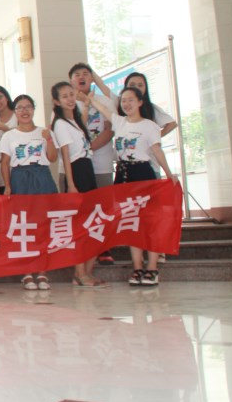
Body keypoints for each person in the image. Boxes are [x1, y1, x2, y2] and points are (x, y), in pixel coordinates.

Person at [90, 86, 176, 287]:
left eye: (130, 100)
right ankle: (137, 268)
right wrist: (90, 99)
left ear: (140, 102)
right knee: (131, 223)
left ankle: (152, 268)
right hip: (123, 175)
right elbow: (104, 110)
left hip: (142, 174)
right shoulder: (119, 122)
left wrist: (169, 173)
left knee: (150, 223)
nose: (126, 104)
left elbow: (157, 150)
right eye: (123, 101)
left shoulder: (149, 126)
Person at [0, 94, 58, 291]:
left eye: (28, 107)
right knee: (23, 226)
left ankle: (42, 271)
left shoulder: (43, 132)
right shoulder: (9, 136)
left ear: (33, 109)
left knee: (43, 226)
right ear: (15, 111)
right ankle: (26, 272)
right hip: (20, 178)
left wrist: (48, 139)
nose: (24, 111)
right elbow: (5, 163)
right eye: (20, 108)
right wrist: (8, 186)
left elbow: (52, 157)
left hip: (42, 177)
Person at [50, 82, 107, 288]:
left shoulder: (75, 121)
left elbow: (82, 127)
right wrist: (71, 184)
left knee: (93, 222)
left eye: (71, 94)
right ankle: (80, 273)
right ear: (56, 101)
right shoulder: (59, 123)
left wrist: (87, 104)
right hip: (76, 170)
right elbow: (65, 156)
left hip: (87, 168)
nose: (70, 99)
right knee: (80, 225)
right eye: (64, 96)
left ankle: (85, 272)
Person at [70, 63, 118, 264]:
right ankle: (82, 248)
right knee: (80, 209)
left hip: (102, 163)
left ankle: (104, 247)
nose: (81, 77)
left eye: (86, 74)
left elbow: (110, 129)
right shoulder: (68, 102)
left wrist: (89, 147)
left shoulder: (104, 101)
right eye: (77, 75)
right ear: (71, 80)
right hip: (76, 165)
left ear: (92, 78)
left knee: (103, 207)